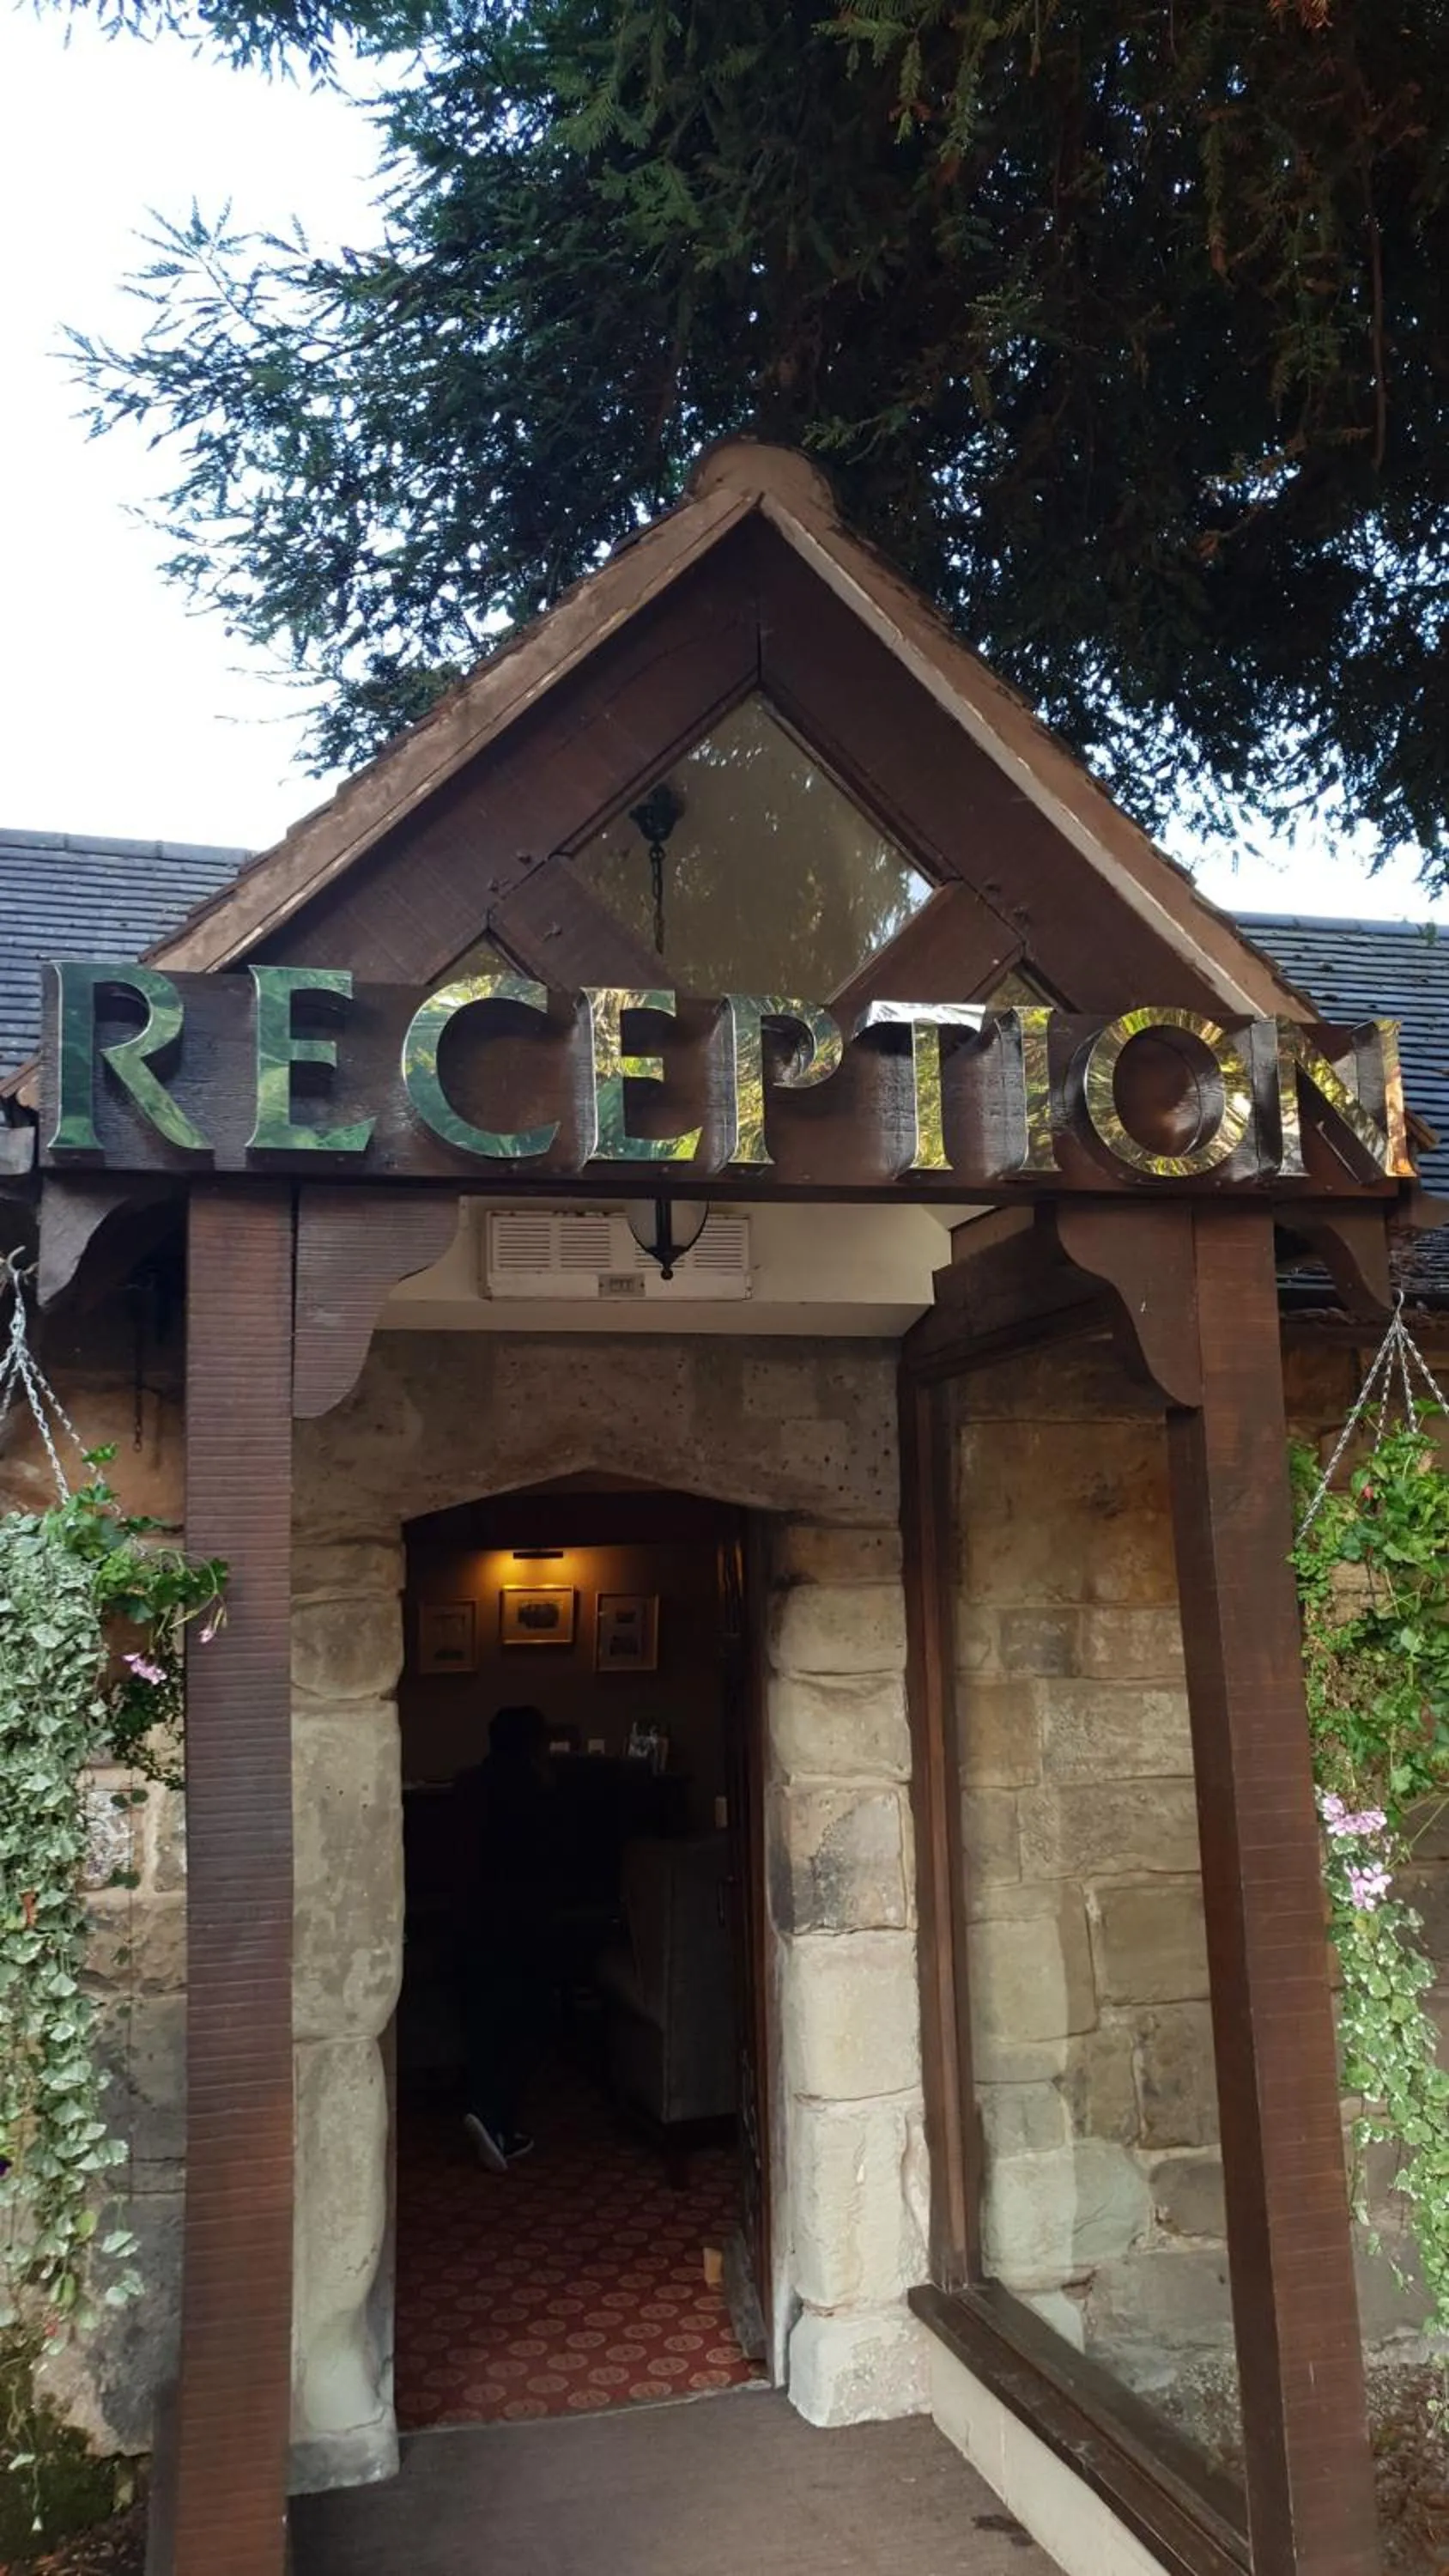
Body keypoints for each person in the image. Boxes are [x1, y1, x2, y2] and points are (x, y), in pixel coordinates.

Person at [450, 1704, 555, 2172]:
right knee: (529, 2022)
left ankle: (483, 2107)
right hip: (522, 1920)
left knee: (483, 2019)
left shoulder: (469, 1784)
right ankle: (497, 2119)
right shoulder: (536, 1791)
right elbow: (552, 1857)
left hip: (471, 1919)